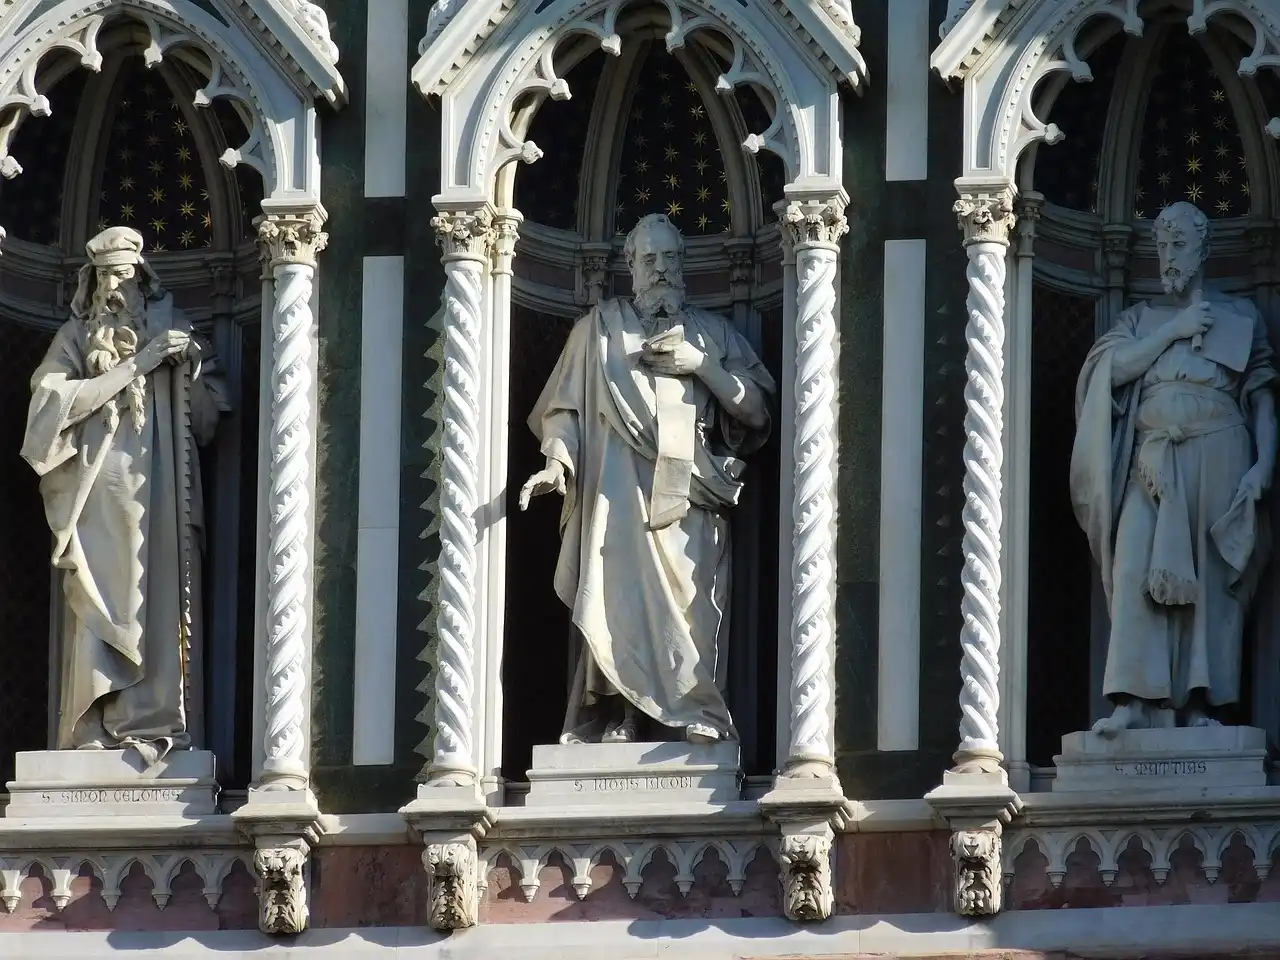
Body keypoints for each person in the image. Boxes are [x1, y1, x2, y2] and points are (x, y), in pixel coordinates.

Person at [520, 213, 775, 745]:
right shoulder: (598, 331)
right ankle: (623, 717)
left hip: (692, 505)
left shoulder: (714, 334)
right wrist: (555, 465)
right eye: (649, 260)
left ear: (685, 266)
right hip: (617, 497)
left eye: (670, 259)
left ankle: (694, 715)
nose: (661, 270)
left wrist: (701, 365)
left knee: (693, 608)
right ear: (630, 267)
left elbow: (756, 414)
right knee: (618, 607)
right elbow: (566, 409)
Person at [1070, 202, 1278, 736]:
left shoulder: (1242, 318)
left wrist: (1263, 467)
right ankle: (1137, 701)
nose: (1168, 256)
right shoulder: (1139, 319)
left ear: (1205, 248)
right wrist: (1175, 330)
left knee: (1210, 584)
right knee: (1136, 565)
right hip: (1154, 463)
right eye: (1161, 246)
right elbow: (1109, 373)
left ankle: (1203, 706)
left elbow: (1262, 403)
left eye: (1179, 244)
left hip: (1221, 456)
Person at [21, 226, 228, 763]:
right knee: (94, 601)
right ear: (91, 281)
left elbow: (207, 420)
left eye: (126, 276)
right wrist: (142, 362)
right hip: (91, 495)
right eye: (107, 276)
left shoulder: (169, 327)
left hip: (158, 494)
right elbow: (48, 413)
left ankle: (156, 720)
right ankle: (91, 725)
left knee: (155, 598)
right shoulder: (73, 338)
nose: (116, 287)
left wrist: (188, 366)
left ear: (142, 281)